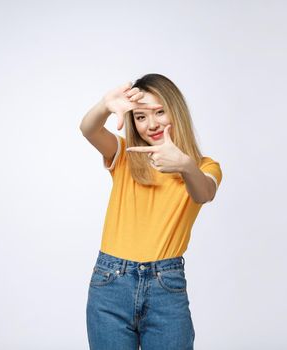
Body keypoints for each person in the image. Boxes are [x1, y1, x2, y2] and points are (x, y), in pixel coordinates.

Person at [79, 73, 223, 350]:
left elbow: (204, 193)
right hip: (111, 282)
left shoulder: (205, 166)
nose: (152, 124)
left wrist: (184, 165)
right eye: (141, 116)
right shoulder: (125, 154)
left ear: (176, 110)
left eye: (159, 112)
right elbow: (89, 129)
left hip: (165, 286)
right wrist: (104, 105)